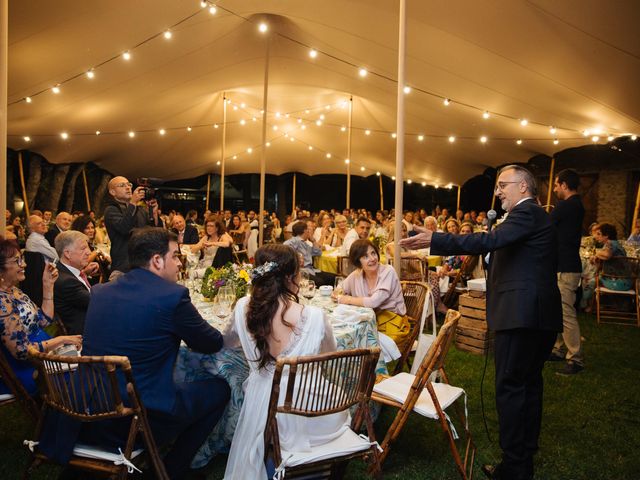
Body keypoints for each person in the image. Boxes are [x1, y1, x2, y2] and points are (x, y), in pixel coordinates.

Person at [401, 165, 562, 480]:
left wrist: (436, 238)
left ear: (524, 188)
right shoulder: (532, 217)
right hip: (536, 316)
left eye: (503, 185)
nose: (498, 191)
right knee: (528, 386)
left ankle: (515, 467)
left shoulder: (526, 213)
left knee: (512, 388)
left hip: (522, 316)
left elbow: (488, 241)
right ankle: (524, 455)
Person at [81, 227, 230, 478]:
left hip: (88, 406)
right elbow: (211, 343)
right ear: (157, 260)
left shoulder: (101, 291)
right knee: (220, 389)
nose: (179, 262)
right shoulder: (172, 296)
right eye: (175, 256)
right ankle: (172, 469)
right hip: (141, 414)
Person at [223, 244, 348, 479]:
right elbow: (328, 355)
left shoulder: (242, 308)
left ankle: (271, 457)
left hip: (260, 403)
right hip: (309, 407)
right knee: (338, 406)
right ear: (292, 277)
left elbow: (228, 343)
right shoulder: (315, 317)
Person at [0, 237, 82, 397]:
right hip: (32, 369)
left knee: (86, 361)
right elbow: (21, 350)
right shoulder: (2, 302)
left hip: (45, 357)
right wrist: (62, 340)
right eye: (17, 261)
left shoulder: (14, 291)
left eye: (21, 259)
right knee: (85, 373)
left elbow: (43, 320)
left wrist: (48, 284)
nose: (23, 265)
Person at [334, 239, 409, 348]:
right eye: (365, 256)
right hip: (369, 323)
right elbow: (340, 288)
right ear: (357, 262)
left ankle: (367, 364)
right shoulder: (357, 275)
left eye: (373, 253)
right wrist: (337, 293)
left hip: (392, 324)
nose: (373, 259)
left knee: (359, 343)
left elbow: (374, 302)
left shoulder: (388, 271)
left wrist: (346, 299)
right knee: (351, 339)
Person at [549, 169, 585, 375]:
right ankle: (558, 348)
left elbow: (545, 224)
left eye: (556, 185)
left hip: (566, 267)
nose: (554, 188)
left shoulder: (567, 205)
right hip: (564, 265)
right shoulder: (576, 205)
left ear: (564, 185)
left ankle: (576, 359)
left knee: (565, 312)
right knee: (557, 310)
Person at [104, 176, 160, 279]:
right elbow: (125, 229)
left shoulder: (140, 210)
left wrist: (154, 213)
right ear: (112, 192)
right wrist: (133, 203)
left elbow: (154, 233)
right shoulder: (111, 210)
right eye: (122, 185)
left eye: (129, 184)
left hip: (144, 265)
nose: (127, 187)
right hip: (124, 267)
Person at [581, 223, 630, 309]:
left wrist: (596, 254)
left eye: (599, 234)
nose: (596, 236)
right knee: (592, 276)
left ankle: (582, 305)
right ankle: (591, 305)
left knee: (590, 281)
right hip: (625, 280)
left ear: (606, 235)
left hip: (619, 282)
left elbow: (607, 255)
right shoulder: (614, 243)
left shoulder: (610, 243)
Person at [53, 231, 93, 335]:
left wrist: (84, 273)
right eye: (83, 248)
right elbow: (95, 301)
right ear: (67, 254)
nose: (89, 252)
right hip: (84, 334)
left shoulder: (64, 271)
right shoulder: (66, 282)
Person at [284, 221, 335, 286]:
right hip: (301, 272)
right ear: (305, 231)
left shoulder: (305, 244)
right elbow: (285, 246)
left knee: (332, 278)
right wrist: (297, 256)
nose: (310, 232)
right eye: (308, 230)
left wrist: (313, 240)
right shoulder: (293, 241)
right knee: (320, 282)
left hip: (311, 270)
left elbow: (318, 252)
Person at [71, 215, 111, 283]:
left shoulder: (89, 244)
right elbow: (84, 262)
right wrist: (97, 252)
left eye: (92, 227)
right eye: (87, 228)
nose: (91, 230)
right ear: (80, 229)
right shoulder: (76, 244)